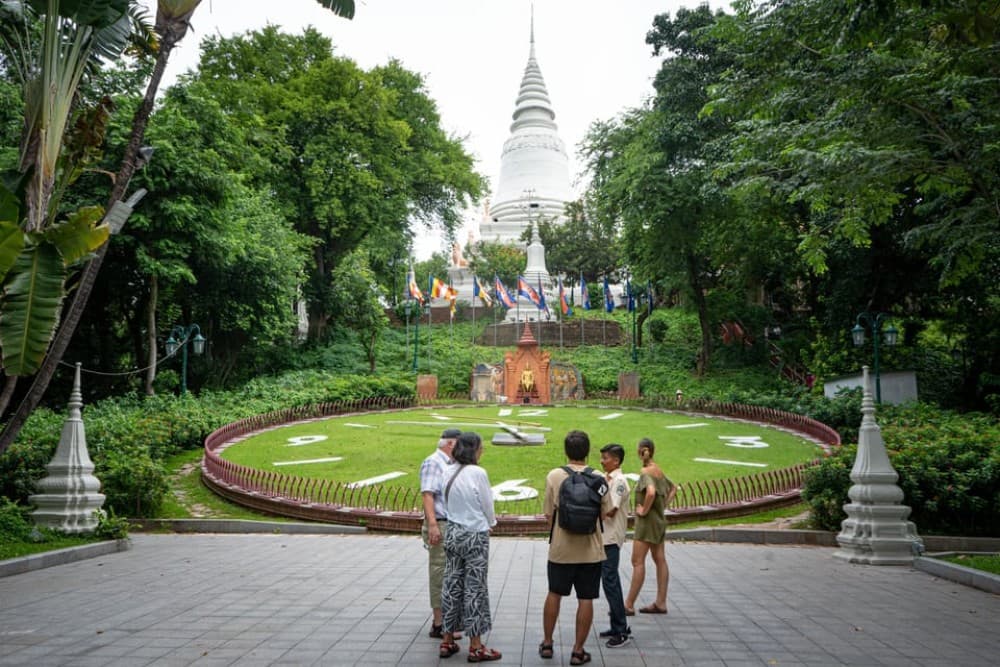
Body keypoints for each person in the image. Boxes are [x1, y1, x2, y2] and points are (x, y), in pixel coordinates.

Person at [539, 430, 613, 666]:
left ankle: (548, 643)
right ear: (588, 451)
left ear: (566, 451)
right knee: (586, 598)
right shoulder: (599, 477)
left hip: (561, 549)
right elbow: (605, 512)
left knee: (554, 593)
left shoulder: (554, 476)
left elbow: (548, 515)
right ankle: (578, 650)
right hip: (590, 551)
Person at [438, 432, 501, 662]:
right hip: (475, 535)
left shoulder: (447, 471)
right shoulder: (478, 473)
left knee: (451, 584)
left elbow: (447, 503)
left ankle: (447, 640)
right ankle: (476, 646)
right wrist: (491, 522)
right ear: (475, 449)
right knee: (475, 588)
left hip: (453, 532)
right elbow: (487, 503)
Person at [624, 437, 677, 616]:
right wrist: (662, 507)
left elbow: (651, 492)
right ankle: (661, 602)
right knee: (660, 559)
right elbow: (674, 488)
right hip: (659, 521)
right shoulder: (658, 470)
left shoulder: (646, 472)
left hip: (647, 524)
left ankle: (629, 604)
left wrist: (644, 510)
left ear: (641, 451)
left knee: (637, 561)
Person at [420, 428, 462, 639]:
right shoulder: (433, 462)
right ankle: (439, 624)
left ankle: (448, 622)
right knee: (439, 572)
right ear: (451, 444)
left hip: (451, 523)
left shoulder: (451, 464)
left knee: (450, 573)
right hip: (440, 524)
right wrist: (433, 524)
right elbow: (428, 494)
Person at [597, 443, 631, 648]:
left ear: (616, 461)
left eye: (605, 458)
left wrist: (590, 516)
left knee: (611, 582)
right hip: (604, 537)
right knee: (609, 581)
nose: (602, 461)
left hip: (610, 537)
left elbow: (611, 509)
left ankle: (621, 629)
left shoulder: (619, 481)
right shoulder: (606, 479)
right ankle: (616, 624)